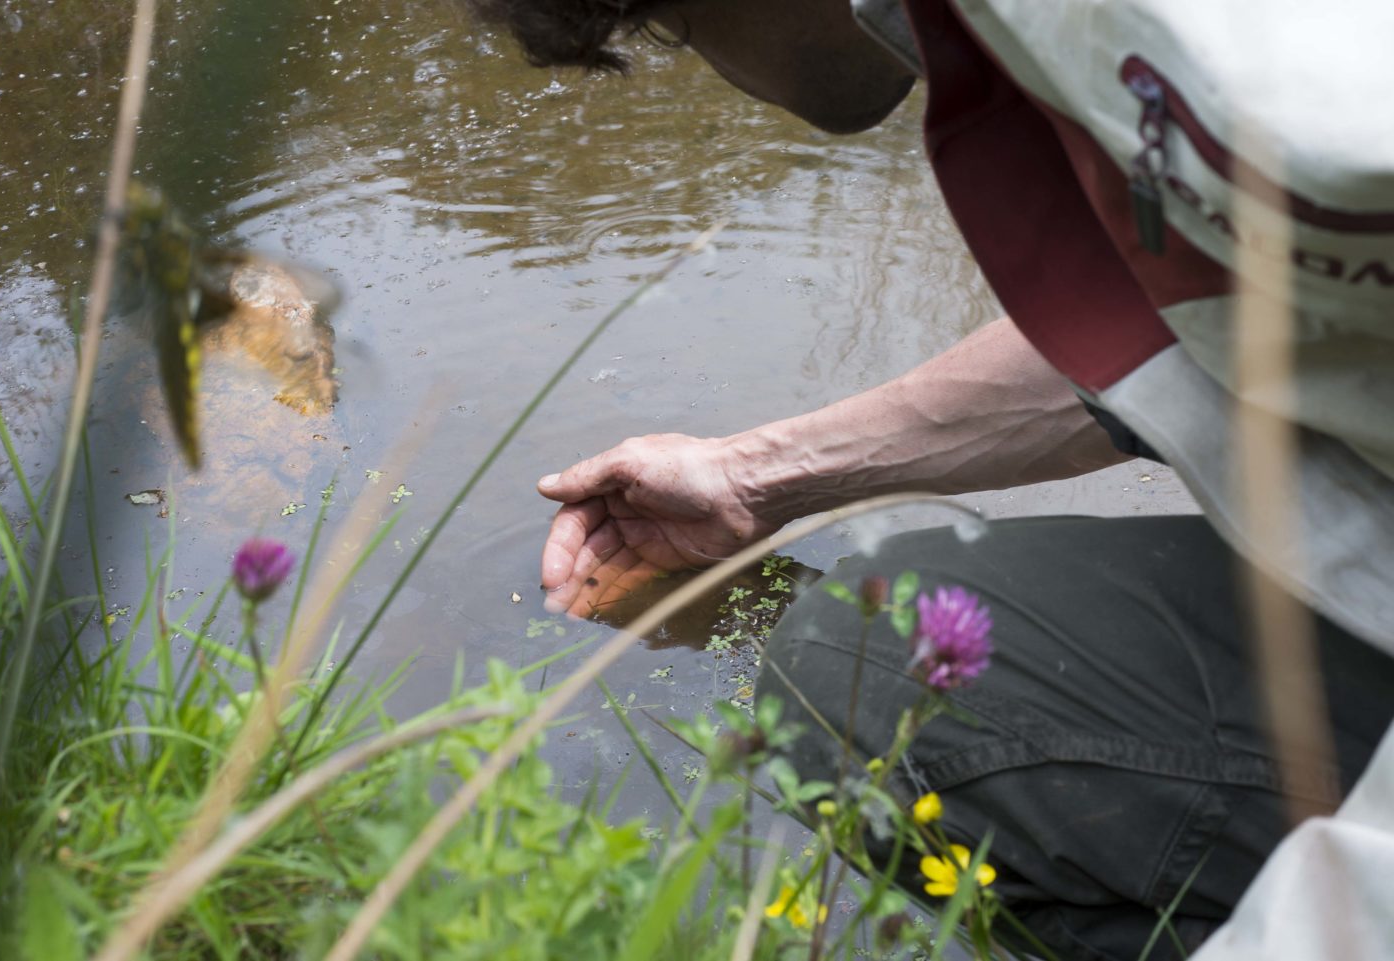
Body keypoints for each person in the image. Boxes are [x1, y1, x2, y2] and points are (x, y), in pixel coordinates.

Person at [471, 1, 1394, 958]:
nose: (723, 77)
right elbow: (1203, 324)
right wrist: (754, 477)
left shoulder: (1249, 68)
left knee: (868, 691)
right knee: (859, 659)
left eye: (674, 26)